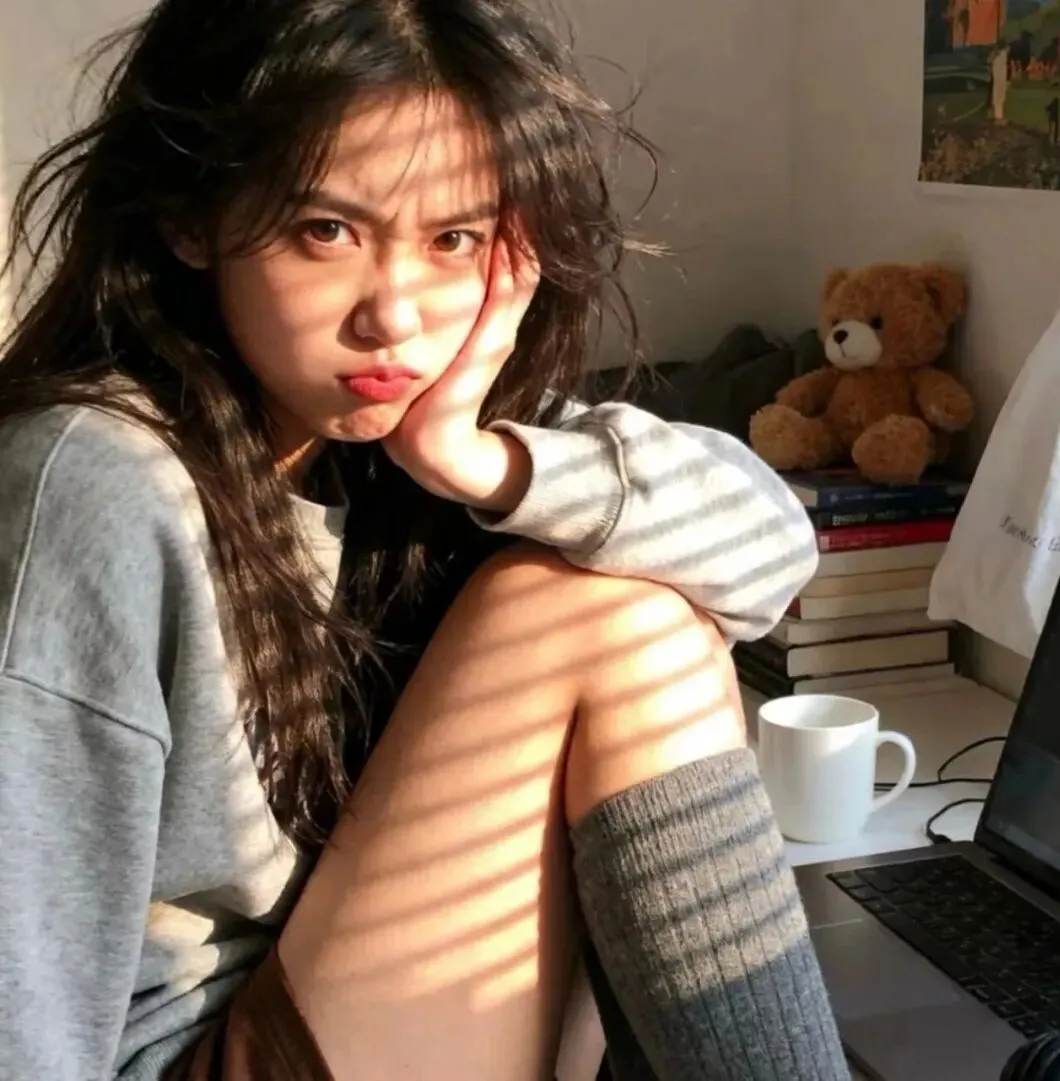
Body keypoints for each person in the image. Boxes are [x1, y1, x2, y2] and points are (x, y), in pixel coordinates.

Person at [0, 2, 856, 1079]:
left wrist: (478, 463)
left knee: (630, 603)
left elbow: (775, 553)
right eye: (327, 231)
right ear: (192, 214)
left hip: (355, 1009)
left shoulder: (400, 438)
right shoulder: (94, 479)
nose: (395, 317)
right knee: (591, 612)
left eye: (454, 240)